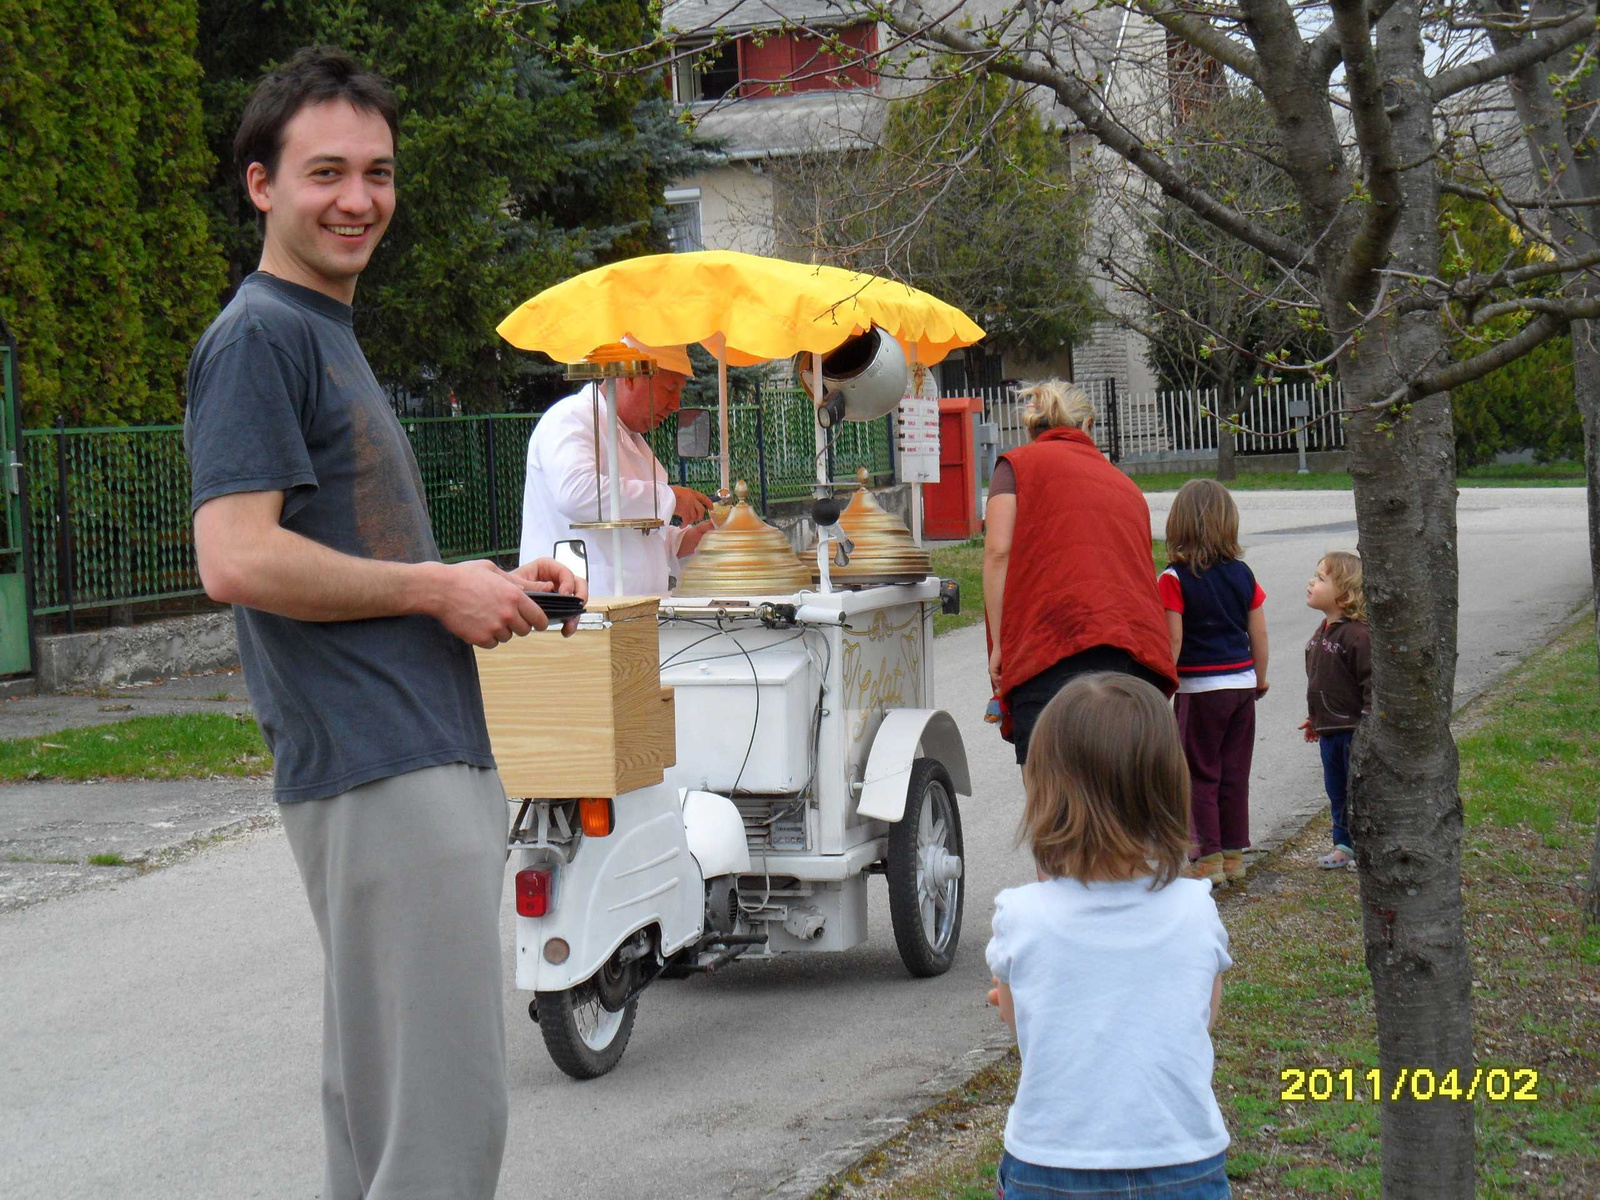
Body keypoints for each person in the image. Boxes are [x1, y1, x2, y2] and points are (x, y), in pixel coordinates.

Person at [185, 48, 584, 1200]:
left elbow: (334, 549)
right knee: (442, 1130)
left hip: (398, 751)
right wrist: (430, 589)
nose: (357, 199)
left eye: (377, 173)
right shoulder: (262, 335)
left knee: (380, 1121)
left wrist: (487, 580)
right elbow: (235, 556)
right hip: (382, 762)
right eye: (324, 173)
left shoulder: (319, 331)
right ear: (261, 185)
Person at [986, 673, 1233, 1199]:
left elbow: (1016, 1017)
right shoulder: (1196, 908)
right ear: (1168, 786)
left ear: (1045, 793)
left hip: (1051, 1160)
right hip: (1181, 1155)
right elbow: (1203, 1015)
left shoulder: (1020, 915)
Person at [983, 380, 1176, 763]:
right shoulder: (1126, 485)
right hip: (1128, 653)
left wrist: (1002, 645)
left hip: (1049, 645)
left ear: (1031, 428)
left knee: (1053, 796)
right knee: (1120, 795)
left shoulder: (1015, 467)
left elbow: (998, 552)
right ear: (1087, 426)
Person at [519, 347, 715, 595]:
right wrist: (669, 498)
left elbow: (634, 538)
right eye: (669, 389)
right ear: (629, 377)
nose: (676, 405)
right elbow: (576, 493)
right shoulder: (571, 417)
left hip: (629, 611)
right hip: (578, 615)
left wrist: (687, 541)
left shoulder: (628, 436)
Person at [1158, 480, 1268, 889]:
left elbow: (1173, 640)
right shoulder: (1243, 574)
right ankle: (1236, 854)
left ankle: (1207, 857)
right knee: (1233, 772)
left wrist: (1164, 684)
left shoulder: (1173, 578)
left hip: (1199, 688)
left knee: (1198, 773)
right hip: (1241, 683)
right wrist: (1259, 675)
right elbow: (1258, 630)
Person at [1300, 550, 1371, 870]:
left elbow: (1371, 683)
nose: (1311, 582)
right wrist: (1315, 717)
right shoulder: (1321, 633)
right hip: (1330, 730)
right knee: (1336, 790)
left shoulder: (1358, 635)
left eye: (1321, 578)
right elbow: (1320, 681)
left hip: (1355, 729)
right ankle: (1344, 844)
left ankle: (1368, 847)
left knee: (1361, 791)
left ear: (1344, 592)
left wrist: (1370, 724)